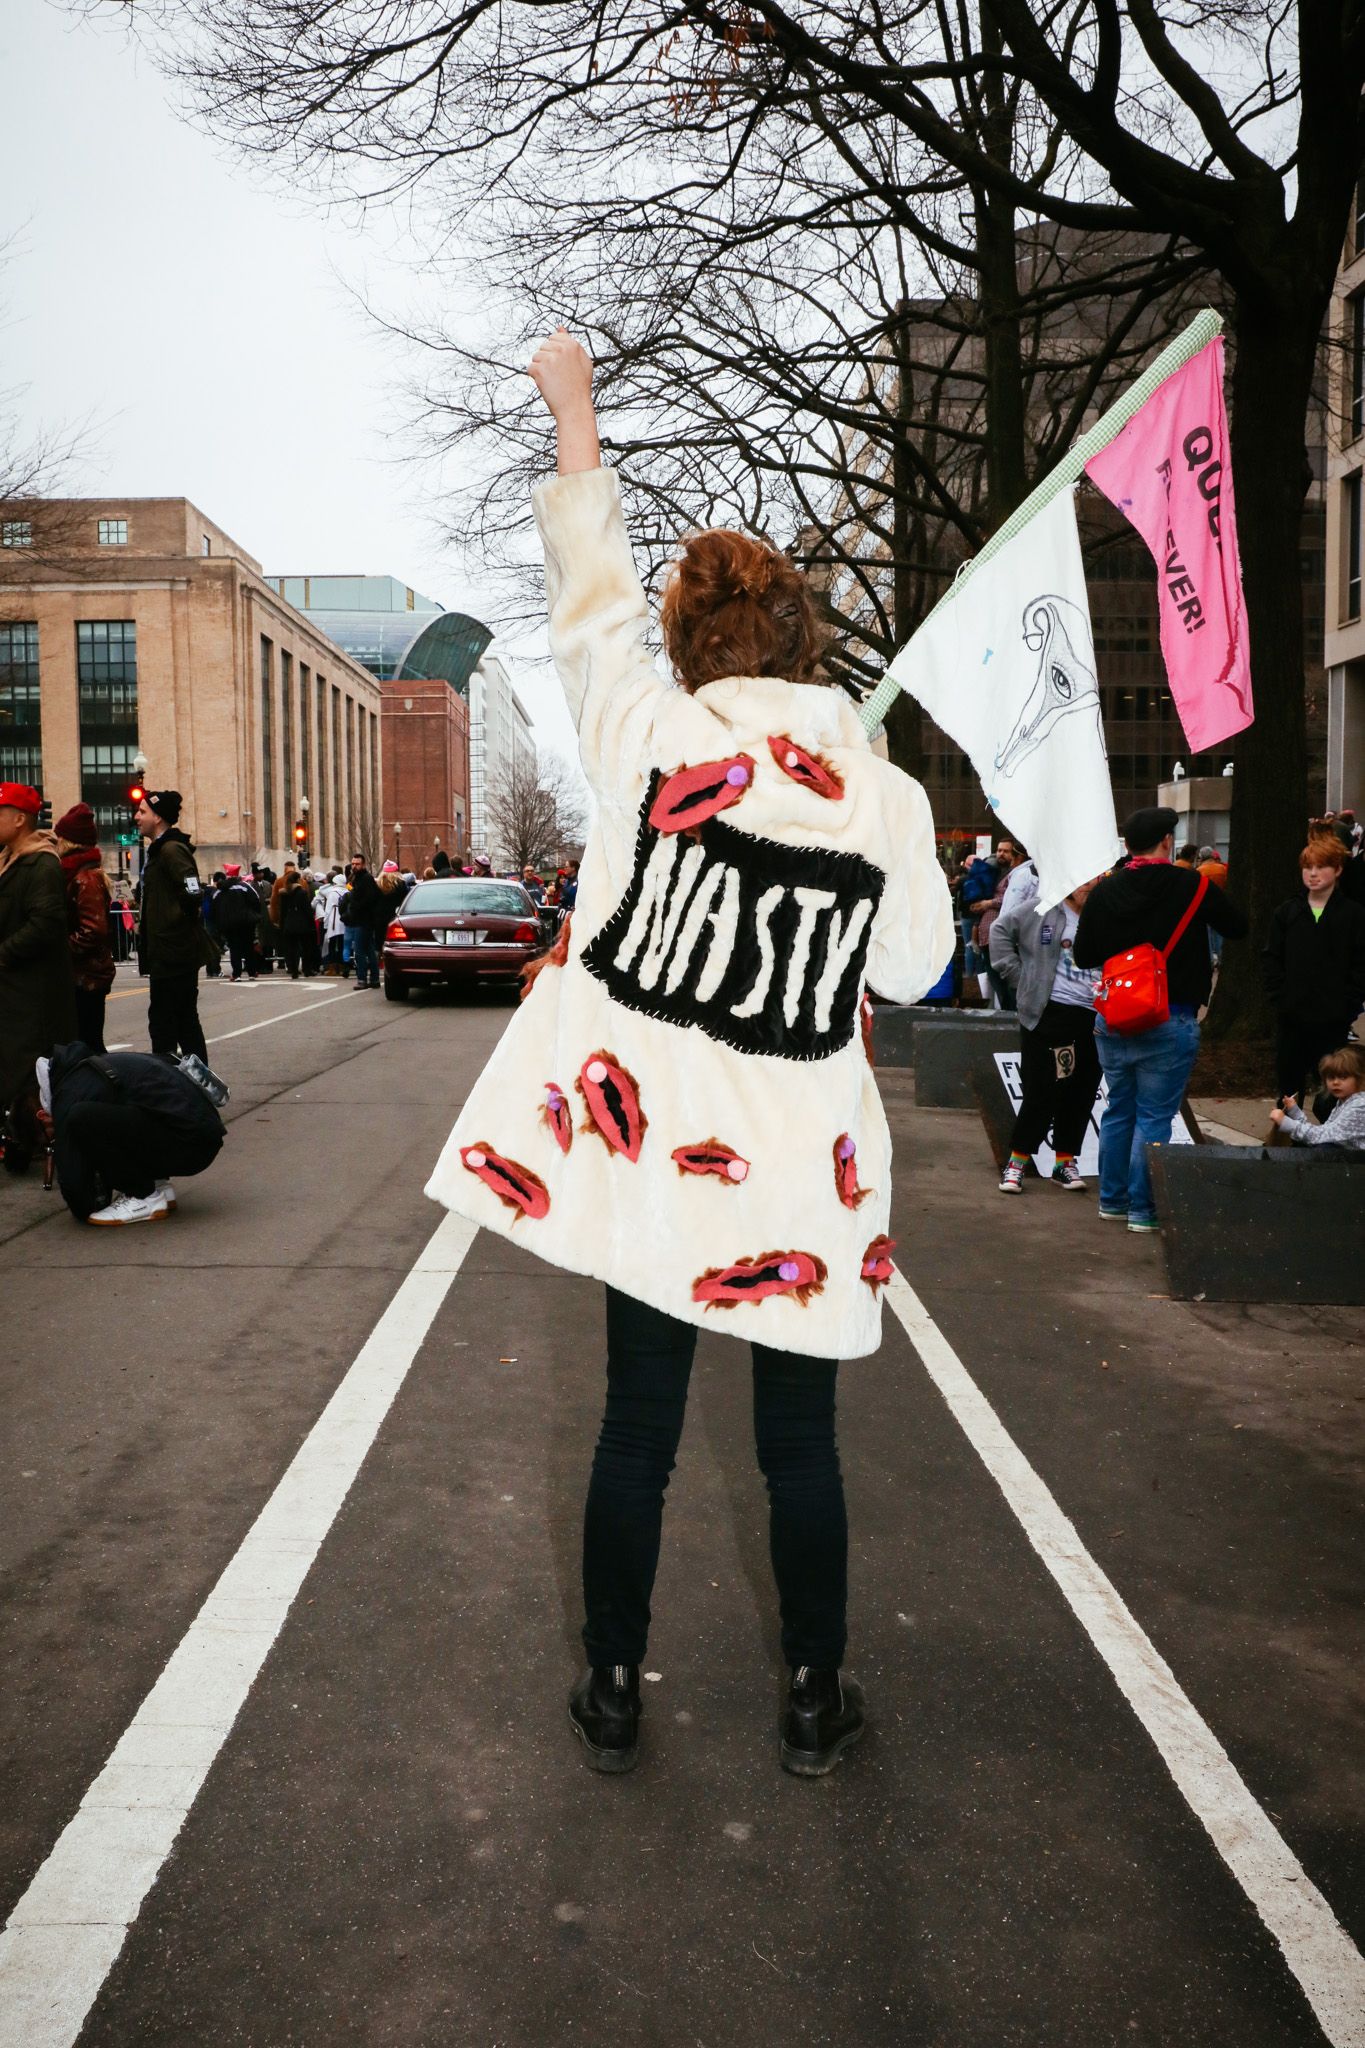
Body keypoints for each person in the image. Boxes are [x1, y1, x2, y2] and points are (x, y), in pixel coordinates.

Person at [425, 328, 953, 1778]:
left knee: (635, 1436)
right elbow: (913, 967)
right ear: (801, 643)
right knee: (800, 1453)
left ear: (693, 651)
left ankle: (610, 1688)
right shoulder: (882, 798)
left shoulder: (646, 740)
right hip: (797, 1175)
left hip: (654, 1167)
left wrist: (577, 413)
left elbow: (585, 602)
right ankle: (808, 1700)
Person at [1074, 805, 1246, 1233]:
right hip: (1171, 1015)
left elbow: (1083, 955)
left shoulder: (1106, 891)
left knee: (1118, 1110)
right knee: (1153, 1118)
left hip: (1114, 1017)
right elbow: (1237, 926)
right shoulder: (1191, 884)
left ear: (1128, 845)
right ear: (1167, 842)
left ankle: (1112, 1202)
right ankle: (1142, 1210)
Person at [21, 1039, 225, 1225]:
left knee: (81, 1119)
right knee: (118, 1115)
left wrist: (89, 1204)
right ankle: (157, 1185)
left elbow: (75, 1187)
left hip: (191, 1144)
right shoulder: (89, 1066)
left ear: (43, 1116)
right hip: (201, 1135)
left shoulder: (68, 1096)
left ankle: (143, 1196)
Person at [990, 877, 1102, 1193]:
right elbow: (1000, 931)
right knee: (1042, 1090)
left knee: (1081, 1090)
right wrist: (1017, 974)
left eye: (1095, 878)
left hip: (1092, 1016)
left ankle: (1064, 1163)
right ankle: (1016, 1163)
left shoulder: (1101, 912)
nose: (1090, 885)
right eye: (1084, 880)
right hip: (1047, 1014)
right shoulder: (1042, 908)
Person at [0, 782, 77, 1166]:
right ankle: (23, 1139)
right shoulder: (10, 858)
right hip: (15, 988)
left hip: (35, 993)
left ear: (19, 819)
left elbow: (45, 924)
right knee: (17, 1068)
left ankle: (51, 1142)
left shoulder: (41, 862)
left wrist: (4, 954)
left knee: (32, 1073)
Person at [1262, 836, 1365, 1104]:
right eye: (1308, 868)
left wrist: (1348, 1003)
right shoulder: (1287, 912)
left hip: (1333, 1018)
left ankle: (1332, 1142)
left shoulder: (1353, 915)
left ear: (1338, 869)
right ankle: (1287, 1142)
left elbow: (1360, 963)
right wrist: (1281, 997)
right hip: (1292, 1017)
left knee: (1332, 1092)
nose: (1313, 874)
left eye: (1321, 867)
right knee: (1288, 1091)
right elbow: (1272, 957)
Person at [133, 789, 214, 1062]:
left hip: (174, 952)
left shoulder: (171, 850)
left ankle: (183, 1087)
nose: (137, 817)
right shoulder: (159, 851)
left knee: (172, 1023)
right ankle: (188, 1087)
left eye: (142, 811)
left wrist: (172, 925)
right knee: (174, 1021)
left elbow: (192, 892)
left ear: (158, 818)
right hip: (167, 951)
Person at [53, 803, 115, 1054]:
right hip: (84, 975)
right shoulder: (76, 874)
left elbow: (94, 929)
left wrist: (62, 950)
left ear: (68, 841)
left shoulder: (84, 878)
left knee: (88, 1043)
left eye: (60, 836)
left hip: (87, 977)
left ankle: (98, 1090)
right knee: (84, 1041)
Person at [1269, 1044, 1365, 1150]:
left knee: (1324, 1149)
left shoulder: (1360, 1106)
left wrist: (1286, 1123)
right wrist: (1295, 1112)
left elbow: (1323, 1136)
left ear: (1359, 1079)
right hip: (1352, 1158)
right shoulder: (1346, 1101)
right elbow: (1324, 1132)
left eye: (1343, 1077)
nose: (1336, 1082)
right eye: (1331, 1077)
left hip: (1358, 1163)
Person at [343, 854, 384, 988]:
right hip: (361, 920)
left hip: (364, 920)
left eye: (357, 864)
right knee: (369, 949)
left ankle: (362, 979)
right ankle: (374, 979)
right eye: (353, 863)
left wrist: (355, 907)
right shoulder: (357, 879)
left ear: (363, 865)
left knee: (360, 950)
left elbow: (369, 899)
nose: (354, 866)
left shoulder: (366, 879)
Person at [215, 863, 262, 980]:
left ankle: (237, 974)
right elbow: (256, 900)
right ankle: (251, 972)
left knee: (234, 949)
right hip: (245, 922)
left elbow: (215, 906)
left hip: (229, 924)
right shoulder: (244, 886)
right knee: (248, 947)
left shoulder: (221, 890)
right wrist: (253, 915)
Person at [276, 869, 316, 980]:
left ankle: (294, 971)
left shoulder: (284, 893)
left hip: (289, 923)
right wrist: (312, 924)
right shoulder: (302, 892)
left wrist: (282, 925)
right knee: (306, 948)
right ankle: (307, 969)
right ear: (297, 880)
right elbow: (307, 909)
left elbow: (282, 911)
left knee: (292, 949)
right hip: (303, 924)